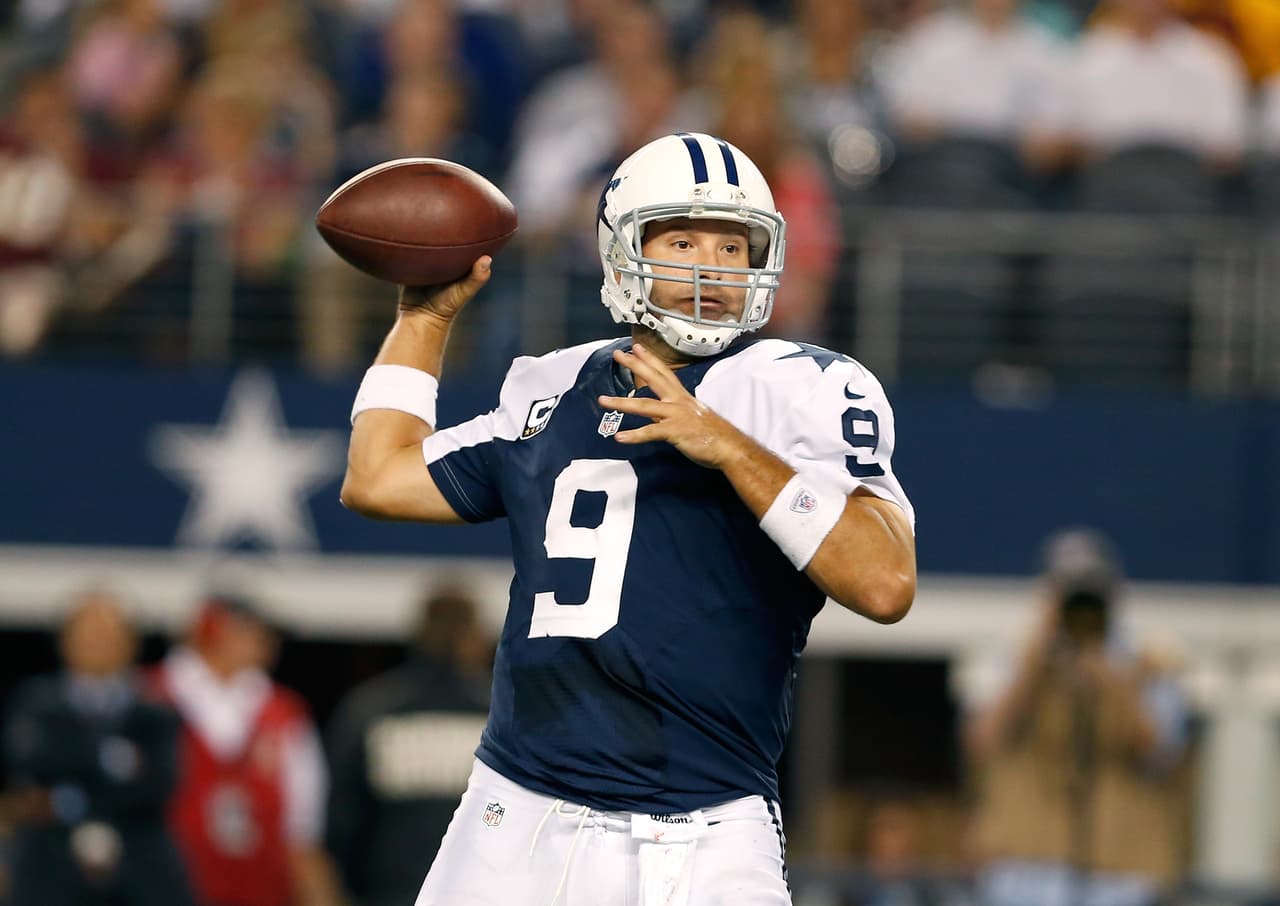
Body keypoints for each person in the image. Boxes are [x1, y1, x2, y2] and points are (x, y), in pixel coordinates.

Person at [339, 131, 917, 904]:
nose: (709, 266)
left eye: (731, 245)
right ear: (622, 253)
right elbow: (378, 476)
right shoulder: (556, 385)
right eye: (681, 239)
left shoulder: (801, 387)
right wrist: (425, 317)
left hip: (707, 831)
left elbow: (885, 581)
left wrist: (730, 448)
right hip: (518, 814)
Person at [965, 529, 1189, 906]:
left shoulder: (1145, 662)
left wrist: (1105, 670)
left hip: (1117, 866)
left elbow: (1162, 752)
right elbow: (983, 741)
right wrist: (1036, 662)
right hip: (1025, 865)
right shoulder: (1020, 657)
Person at [2, 589, 195, 906]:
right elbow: (28, 761)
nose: (97, 643)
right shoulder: (34, 702)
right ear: (64, 640)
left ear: (131, 642)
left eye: (108, 634)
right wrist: (110, 758)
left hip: (139, 867)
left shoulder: (157, 712)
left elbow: (160, 784)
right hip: (48, 867)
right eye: (87, 634)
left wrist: (63, 798)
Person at [151, 593, 341, 906]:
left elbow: (302, 831)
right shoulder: (153, 698)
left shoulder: (283, 712)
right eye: (254, 633)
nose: (267, 645)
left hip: (260, 891)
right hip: (169, 888)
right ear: (214, 631)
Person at [325, 585, 494, 906]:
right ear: (472, 637)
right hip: (476, 893)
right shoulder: (501, 716)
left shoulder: (370, 710)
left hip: (387, 893)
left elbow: (337, 827)